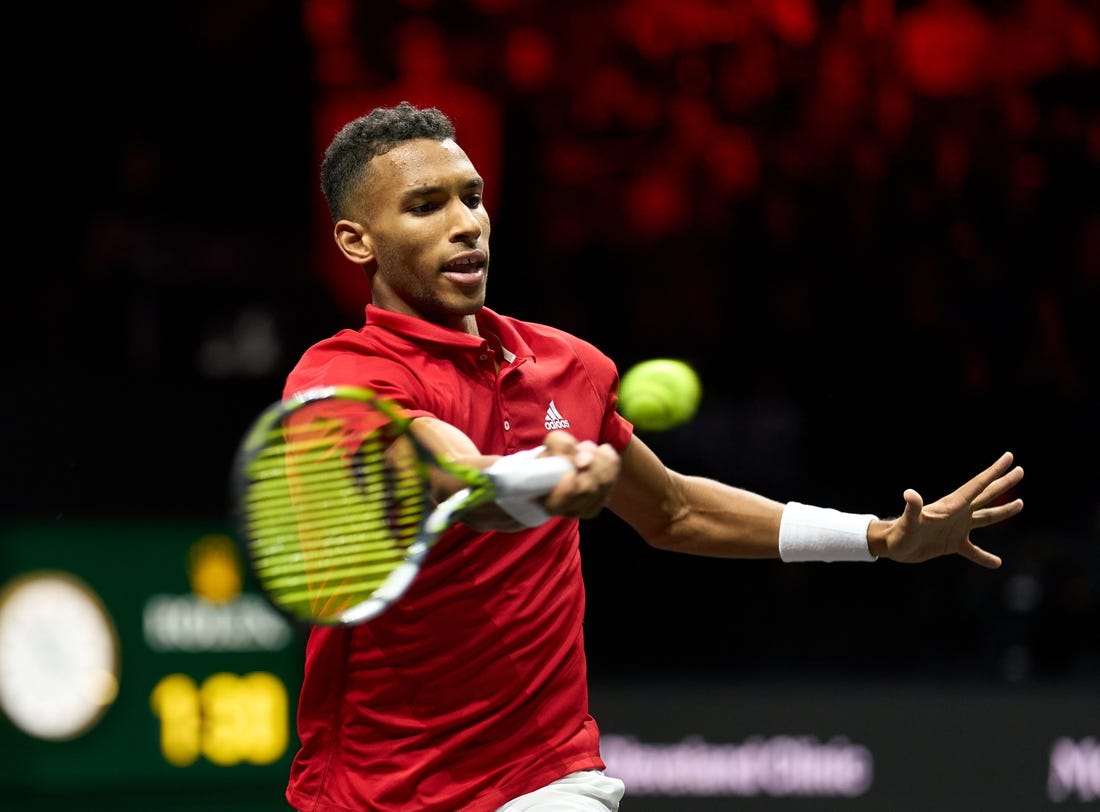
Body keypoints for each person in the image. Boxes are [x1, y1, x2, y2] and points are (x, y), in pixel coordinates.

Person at [282, 101, 1024, 812]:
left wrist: (878, 539)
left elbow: (673, 511)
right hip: (372, 787)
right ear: (357, 241)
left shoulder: (569, 367)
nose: (466, 225)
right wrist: (543, 485)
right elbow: (453, 475)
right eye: (425, 206)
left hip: (543, 776)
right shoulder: (340, 380)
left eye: (472, 197)